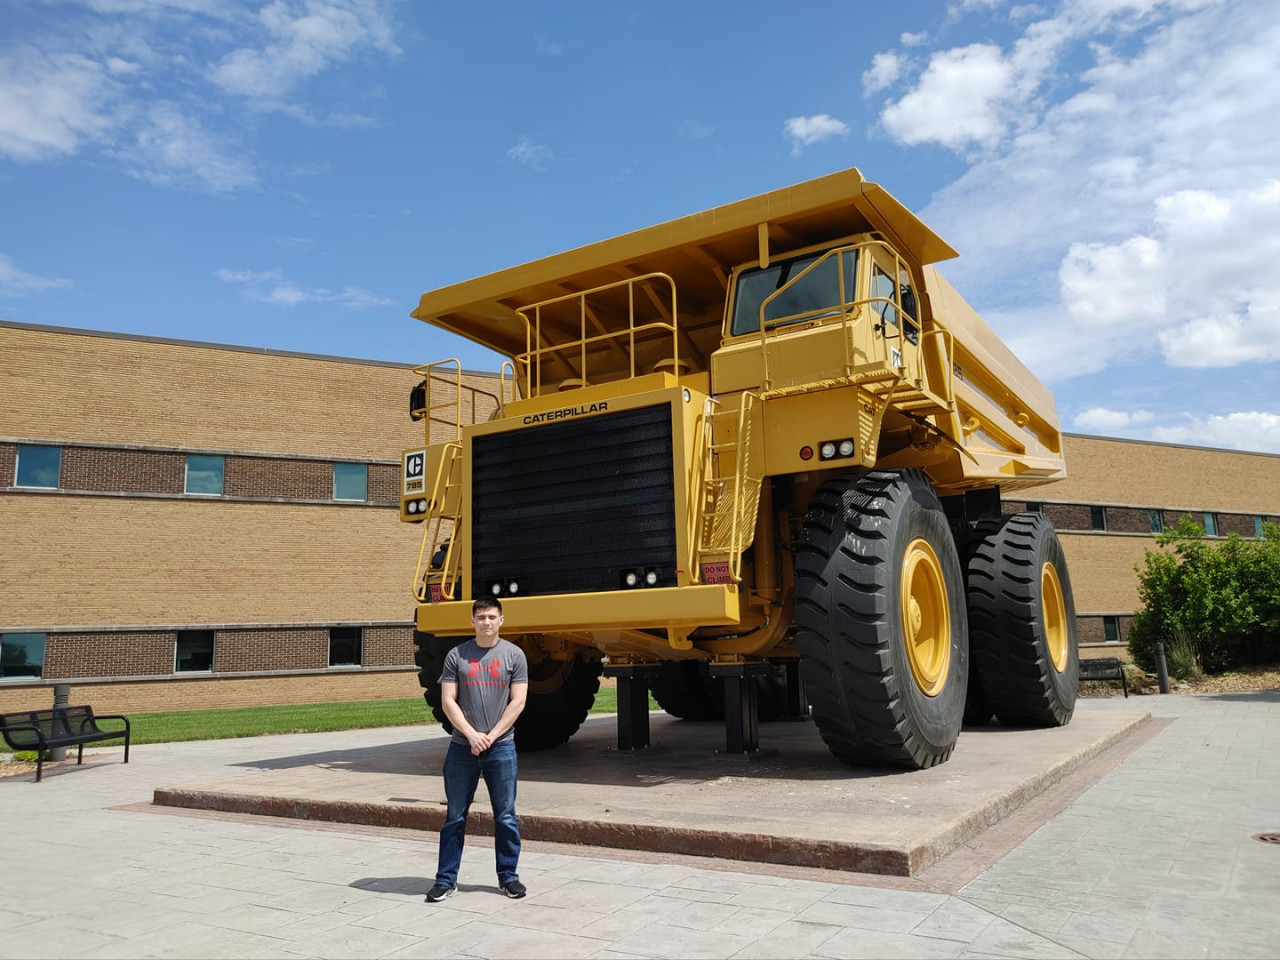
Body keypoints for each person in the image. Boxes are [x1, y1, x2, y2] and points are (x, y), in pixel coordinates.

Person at [426, 597, 529, 902]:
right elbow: (448, 701)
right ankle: (446, 880)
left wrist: (492, 736)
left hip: (502, 749)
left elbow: (518, 702)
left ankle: (508, 878)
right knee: (455, 817)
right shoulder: (457, 655)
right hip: (462, 749)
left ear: (501, 620)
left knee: (506, 816)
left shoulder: (515, 655)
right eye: (481, 617)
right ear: (472, 621)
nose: (486, 622)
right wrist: (472, 735)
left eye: (491, 617)